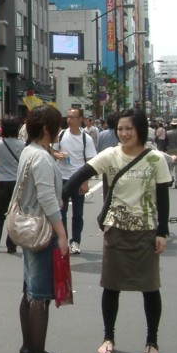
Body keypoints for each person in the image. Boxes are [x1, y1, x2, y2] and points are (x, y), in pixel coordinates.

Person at [63, 109, 171, 353]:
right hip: (115, 229)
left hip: (146, 230)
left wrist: (162, 232)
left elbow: (163, 199)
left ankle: (151, 341)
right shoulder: (110, 155)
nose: (124, 134)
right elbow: (80, 174)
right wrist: (60, 198)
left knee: (150, 287)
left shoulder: (156, 159)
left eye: (129, 129)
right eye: (121, 129)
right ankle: (108, 337)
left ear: (141, 130)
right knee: (111, 287)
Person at [15, 105, 68, 353]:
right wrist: (62, 234)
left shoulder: (30, 151)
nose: (61, 129)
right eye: (58, 125)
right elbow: (47, 199)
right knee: (40, 295)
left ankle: (30, 346)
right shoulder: (42, 158)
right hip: (42, 229)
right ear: (48, 128)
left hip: (27, 226)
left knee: (30, 290)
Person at [51, 107, 97, 255]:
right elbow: (52, 150)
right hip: (62, 178)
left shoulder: (86, 138)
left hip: (78, 178)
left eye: (73, 117)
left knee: (78, 213)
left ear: (81, 119)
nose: (69, 119)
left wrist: (85, 182)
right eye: (68, 116)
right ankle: (62, 240)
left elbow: (91, 162)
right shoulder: (61, 134)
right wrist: (57, 155)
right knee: (61, 211)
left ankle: (75, 241)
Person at [0, 116, 25, 253]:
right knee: (15, 214)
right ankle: (11, 244)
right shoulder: (22, 145)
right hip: (17, 183)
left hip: (3, 181)